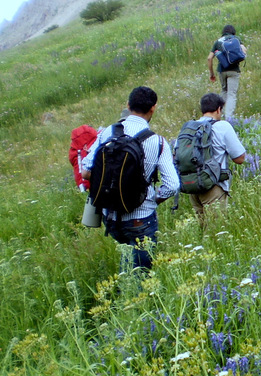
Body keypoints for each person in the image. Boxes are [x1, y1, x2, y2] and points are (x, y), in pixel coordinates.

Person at [81, 86, 179, 272]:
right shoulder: (157, 142)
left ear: (128, 105)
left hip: (110, 216)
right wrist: (153, 201)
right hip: (140, 218)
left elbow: (86, 171)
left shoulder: (108, 132)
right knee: (140, 274)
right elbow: (172, 185)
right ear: (153, 108)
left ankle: (124, 288)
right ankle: (131, 296)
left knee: (128, 263)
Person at [188, 93, 246, 220]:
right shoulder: (222, 126)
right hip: (213, 187)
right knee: (216, 232)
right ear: (219, 109)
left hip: (192, 186)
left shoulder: (189, 127)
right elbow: (239, 158)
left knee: (203, 230)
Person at [207, 25, 247, 118]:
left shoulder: (218, 42)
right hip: (234, 70)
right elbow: (244, 50)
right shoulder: (236, 39)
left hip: (222, 70)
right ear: (233, 32)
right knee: (232, 94)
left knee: (224, 91)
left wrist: (212, 74)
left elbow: (209, 58)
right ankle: (229, 118)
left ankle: (218, 113)